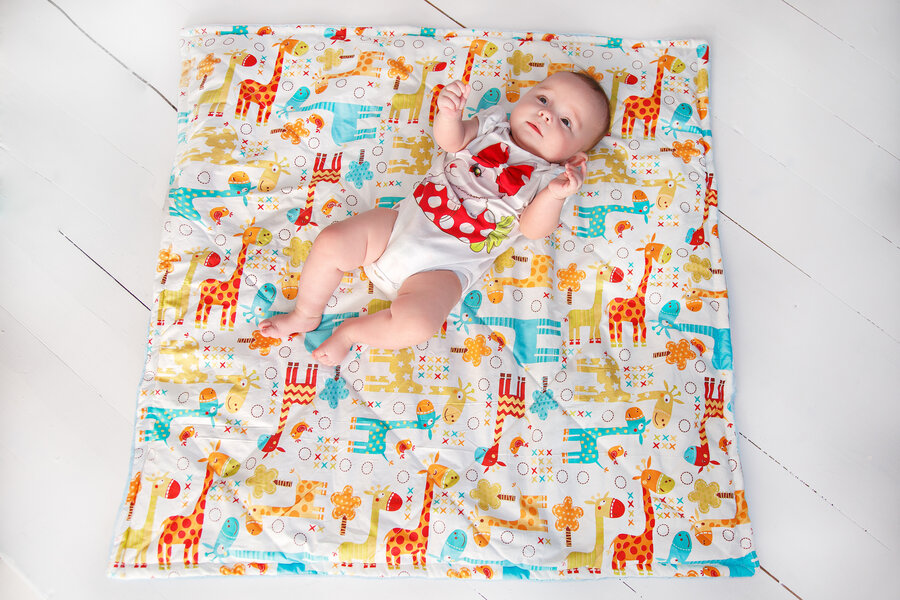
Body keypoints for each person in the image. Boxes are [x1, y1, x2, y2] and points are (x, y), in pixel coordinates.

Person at [260, 70, 611, 366]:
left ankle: (350, 333)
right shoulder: (493, 124)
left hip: (445, 266)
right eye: (543, 99)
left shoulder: (549, 180)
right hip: (401, 225)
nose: (546, 114)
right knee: (332, 241)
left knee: (419, 324)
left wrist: (554, 196)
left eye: (566, 121)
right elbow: (451, 142)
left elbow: (533, 229)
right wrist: (448, 116)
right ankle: (305, 313)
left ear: (575, 157)